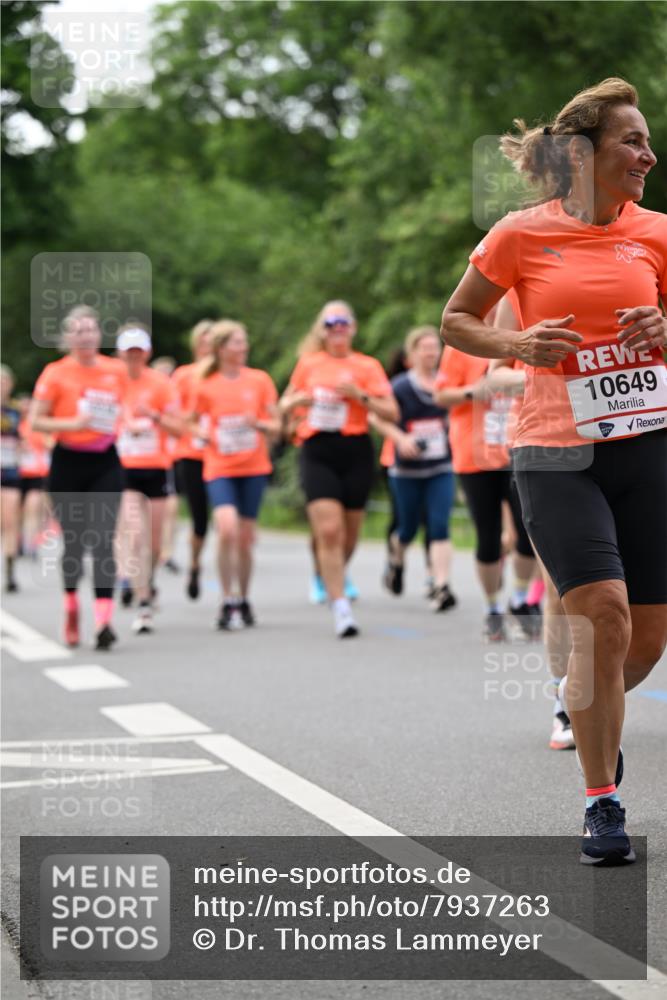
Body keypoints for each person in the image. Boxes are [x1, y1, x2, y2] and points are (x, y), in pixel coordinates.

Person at [441, 78, 666, 865]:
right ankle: (600, 801)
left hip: (647, 447)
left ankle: (587, 711)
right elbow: (456, 320)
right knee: (602, 615)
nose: (646, 154)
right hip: (554, 450)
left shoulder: (660, 234)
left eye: (644, 141)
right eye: (631, 141)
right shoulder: (518, 234)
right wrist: (516, 345)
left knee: (640, 646)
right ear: (582, 154)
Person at [280, 300, 397, 638]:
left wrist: (360, 396)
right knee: (329, 531)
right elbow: (283, 404)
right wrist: (295, 404)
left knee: (348, 534)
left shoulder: (367, 366)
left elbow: (391, 412)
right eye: (331, 323)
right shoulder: (309, 364)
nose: (338, 329)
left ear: (353, 328)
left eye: (344, 322)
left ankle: (329, 572)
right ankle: (341, 606)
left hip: (355, 450)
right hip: (317, 449)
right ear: (322, 329)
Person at [29, 306, 128, 649]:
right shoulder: (56, 373)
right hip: (68, 461)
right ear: (68, 338)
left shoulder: (116, 371)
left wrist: (130, 424)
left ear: (99, 335)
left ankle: (103, 619)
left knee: (102, 540)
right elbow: (35, 421)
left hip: (105, 461)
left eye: (91, 331)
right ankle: (71, 604)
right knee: (74, 542)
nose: (86, 337)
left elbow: (125, 410)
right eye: (79, 331)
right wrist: (72, 425)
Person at [435, 310, 537, 641]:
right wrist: (471, 392)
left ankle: (520, 600)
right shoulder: (460, 346)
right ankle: (493, 608)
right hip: (474, 454)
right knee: (488, 535)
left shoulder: (524, 338)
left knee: (529, 532)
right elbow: (441, 395)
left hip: (517, 448)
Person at [189, 320, 280, 629]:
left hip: (253, 466)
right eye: (237, 343)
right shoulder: (205, 383)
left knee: (244, 537)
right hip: (219, 466)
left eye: (245, 342)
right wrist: (203, 434)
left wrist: (260, 425)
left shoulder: (259, 380)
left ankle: (244, 597)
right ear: (221, 348)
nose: (244, 348)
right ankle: (227, 599)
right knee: (226, 528)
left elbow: (278, 426)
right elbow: (188, 422)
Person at [373, 326, 457, 611]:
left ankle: (441, 585)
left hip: (441, 466)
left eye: (436, 347)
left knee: (439, 526)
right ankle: (396, 561)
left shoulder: (446, 383)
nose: (432, 352)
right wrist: (401, 438)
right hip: (406, 470)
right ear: (413, 353)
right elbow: (376, 418)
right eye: (426, 347)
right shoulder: (399, 386)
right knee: (406, 529)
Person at [115, 327, 181, 634]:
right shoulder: (111, 381)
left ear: (147, 353)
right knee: (136, 535)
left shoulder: (161, 384)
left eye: (138, 351)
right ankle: (143, 604)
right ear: (120, 354)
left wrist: (152, 417)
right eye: (129, 352)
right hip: (124, 467)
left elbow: (179, 427)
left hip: (156, 467)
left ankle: (148, 580)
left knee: (154, 543)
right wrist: (123, 424)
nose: (134, 357)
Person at [172, 321, 214, 599]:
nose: (208, 347)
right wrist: (196, 429)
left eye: (213, 342)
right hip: (192, 454)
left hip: (226, 455)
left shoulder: (228, 375)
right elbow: (174, 415)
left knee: (226, 517)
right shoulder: (184, 375)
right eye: (204, 342)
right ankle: (195, 563)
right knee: (200, 518)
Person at [151, 356, 180, 573]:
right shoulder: (145, 394)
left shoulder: (175, 398)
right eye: (161, 373)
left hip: (173, 459)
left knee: (171, 507)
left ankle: (167, 551)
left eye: (169, 373)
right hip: (147, 461)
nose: (166, 378)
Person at [17, 397, 53, 559]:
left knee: (32, 508)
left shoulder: (41, 426)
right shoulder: (16, 427)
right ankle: (20, 539)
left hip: (38, 474)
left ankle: (31, 544)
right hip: (18, 473)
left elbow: (51, 444)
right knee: (19, 511)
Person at [1, 366, 22, 592]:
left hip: (10, 472)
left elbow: (24, 438)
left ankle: (10, 570)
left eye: (4, 382)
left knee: (10, 521)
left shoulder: (16, 412)